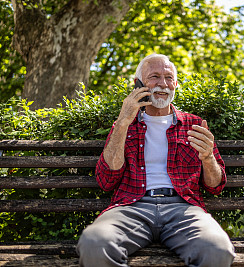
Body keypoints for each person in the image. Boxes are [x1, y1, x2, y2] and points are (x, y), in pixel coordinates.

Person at [77, 54, 235, 267]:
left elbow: (216, 186)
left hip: (183, 208)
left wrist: (207, 158)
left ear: (176, 84)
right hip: (131, 206)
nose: (163, 84)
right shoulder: (125, 125)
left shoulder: (194, 124)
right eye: (154, 77)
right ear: (138, 84)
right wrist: (123, 120)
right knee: (95, 244)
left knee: (217, 250)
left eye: (169, 77)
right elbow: (106, 181)